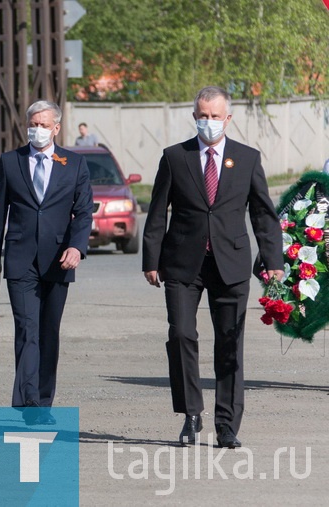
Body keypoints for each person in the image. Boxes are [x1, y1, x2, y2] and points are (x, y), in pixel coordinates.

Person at [142, 86, 282, 449]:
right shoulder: (175, 157)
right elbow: (157, 212)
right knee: (182, 335)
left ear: (228, 118)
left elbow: (264, 216)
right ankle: (191, 414)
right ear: (194, 117)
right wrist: (150, 259)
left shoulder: (247, 158)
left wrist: (274, 263)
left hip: (231, 264)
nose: (208, 122)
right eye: (202, 116)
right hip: (182, 264)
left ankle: (227, 425)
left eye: (215, 116)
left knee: (230, 344)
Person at [0, 100, 94, 425]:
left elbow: (84, 211)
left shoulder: (73, 163)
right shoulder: (11, 161)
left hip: (59, 260)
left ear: (56, 128)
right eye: (33, 123)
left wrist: (77, 247)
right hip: (20, 260)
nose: (38, 129)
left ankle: (43, 399)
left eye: (44, 124)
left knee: (48, 332)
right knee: (27, 329)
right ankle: (30, 403)